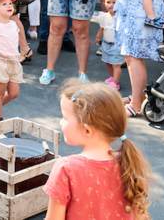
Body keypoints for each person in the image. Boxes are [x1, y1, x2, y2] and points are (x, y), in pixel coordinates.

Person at [45, 82, 152, 219]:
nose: (61, 122)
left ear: (87, 130)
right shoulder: (129, 163)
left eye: (65, 117)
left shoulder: (66, 168)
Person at [94, 0, 123, 90]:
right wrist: (98, 37)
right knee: (108, 61)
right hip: (106, 44)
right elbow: (102, 28)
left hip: (116, 45)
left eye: (114, 2)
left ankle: (116, 82)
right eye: (108, 2)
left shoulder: (120, 18)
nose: (111, 5)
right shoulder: (104, 16)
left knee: (116, 64)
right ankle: (112, 77)